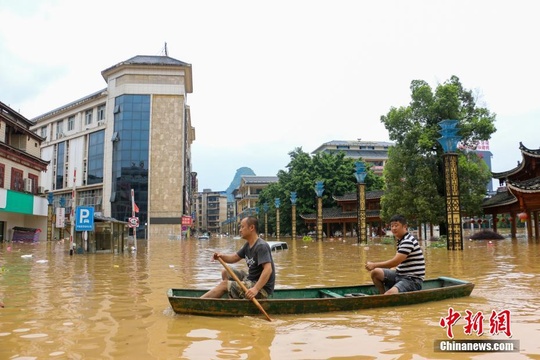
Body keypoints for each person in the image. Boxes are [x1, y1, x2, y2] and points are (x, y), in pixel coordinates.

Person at [201, 216, 275, 300]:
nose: (240, 230)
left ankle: (197, 303)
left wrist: (255, 289)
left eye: (242, 227)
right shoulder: (247, 245)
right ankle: (232, 294)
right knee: (225, 272)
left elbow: (268, 270)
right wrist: (220, 256)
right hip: (250, 279)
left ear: (251, 228)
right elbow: (234, 257)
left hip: (261, 289)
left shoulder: (261, 246)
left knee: (224, 285)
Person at [365, 214, 425, 294]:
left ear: (405, 226)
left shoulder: (408, 241)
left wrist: (374, 265)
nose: (393, 228)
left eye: (396, 226)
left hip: (412, 280)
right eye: (392, 226)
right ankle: (382, 294)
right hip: (399, 274)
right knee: (375, 273)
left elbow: (395, 261)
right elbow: (400, 262)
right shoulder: (401, 240)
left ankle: (386, 296)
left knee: (389, 295)